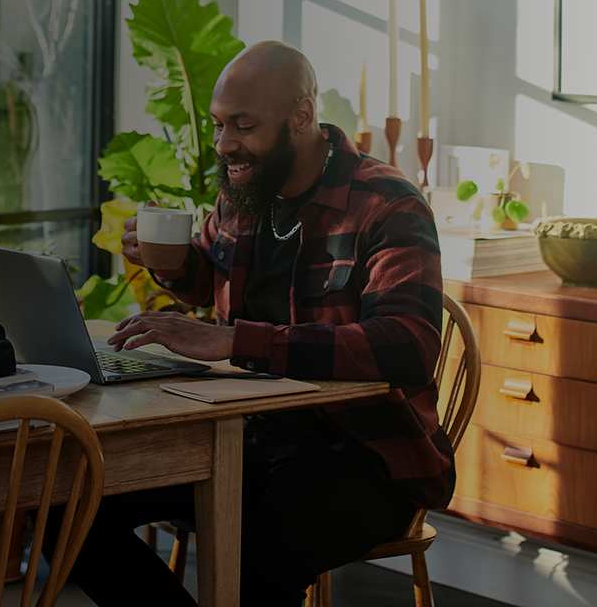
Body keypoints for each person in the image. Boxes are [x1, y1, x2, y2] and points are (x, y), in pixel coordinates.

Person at [61, 41, 453, 606]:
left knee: (256, 544)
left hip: (365, 452)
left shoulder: (387, 203)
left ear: (300, 116)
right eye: (219, 126)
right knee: (66, 502)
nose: (225, 145)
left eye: (243, 126)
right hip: (242, 434)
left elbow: (407, 346)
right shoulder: (245, 192)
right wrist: (176, 267)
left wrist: (234, 341)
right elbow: (209, 280)